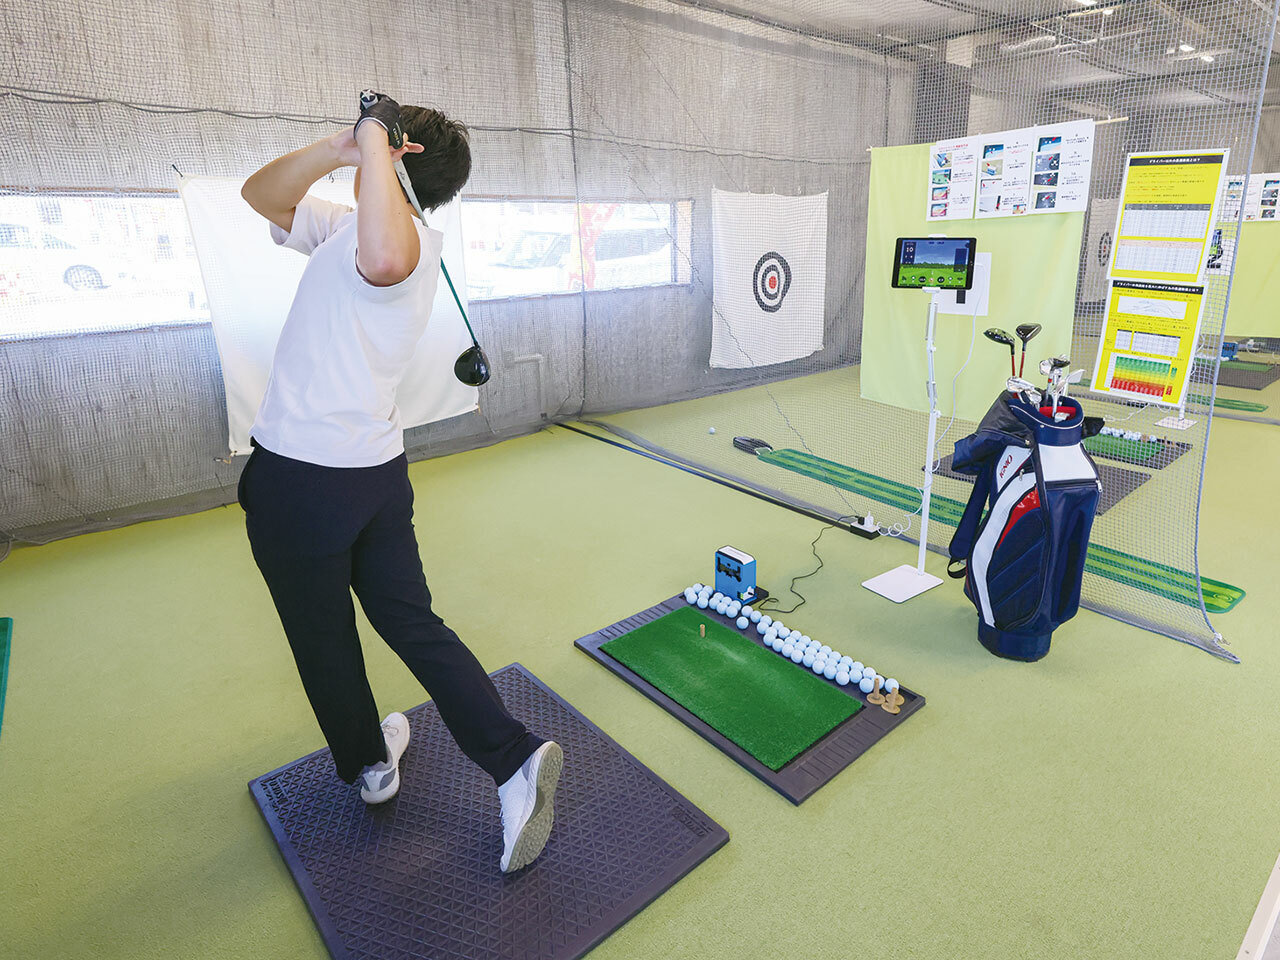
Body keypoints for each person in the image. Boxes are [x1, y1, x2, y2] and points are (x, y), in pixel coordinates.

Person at [238, 93, 561, 873]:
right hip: (374, 479)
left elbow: (384, 259)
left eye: (379, 144)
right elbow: (262, 197)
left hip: (300, 484)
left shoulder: (398, 243)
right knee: (412, 624)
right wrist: (344, 148)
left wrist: (377, 136)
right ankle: (506, 758)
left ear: (402, 158)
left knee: (324, 640)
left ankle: (370, 767)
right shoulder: (348, 228)